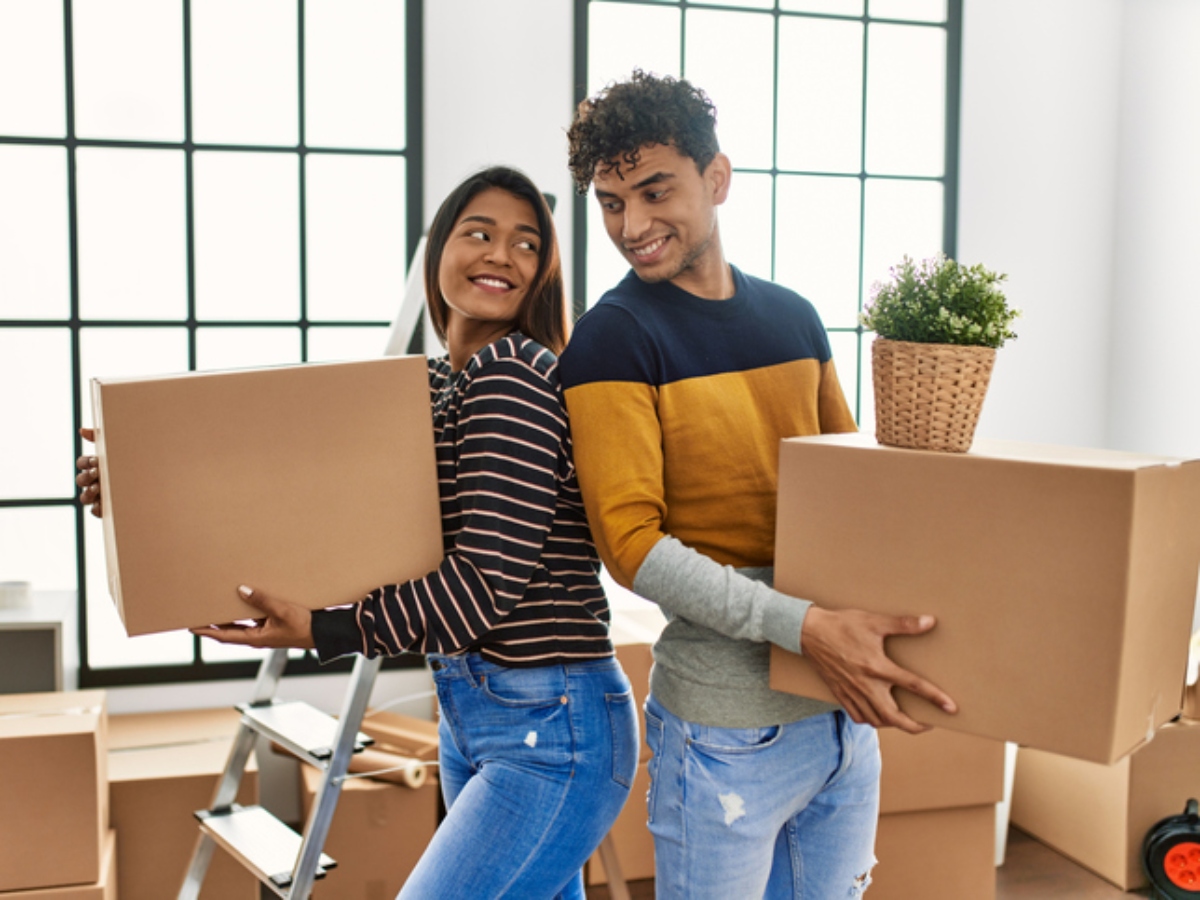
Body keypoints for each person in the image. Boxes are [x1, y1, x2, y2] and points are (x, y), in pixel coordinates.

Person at [76, 166, 639, 900]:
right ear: (438, 249)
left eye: (526, 244)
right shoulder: (440, 383)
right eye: (479, 233)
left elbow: (479, 591)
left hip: (548, 727)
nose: (502, 254)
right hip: (486, 715)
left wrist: (321, 626)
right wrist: (138, 495)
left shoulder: (511, 374)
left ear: (543, 275)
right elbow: (320, 506)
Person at [559, 70, 958, 899]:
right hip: (724, 736)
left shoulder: (796, 319)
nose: (631, 225)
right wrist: (805, 627)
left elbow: (854, 500)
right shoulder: (611, 341)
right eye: (609, 202)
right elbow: (631, 550)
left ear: (717, 178)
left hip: (844, 722)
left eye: (654, 190)